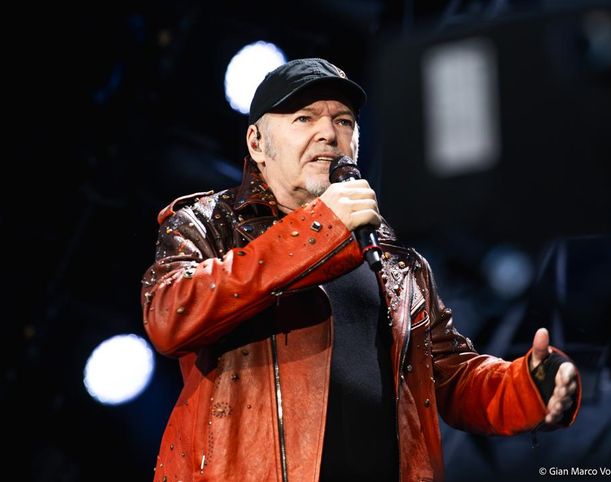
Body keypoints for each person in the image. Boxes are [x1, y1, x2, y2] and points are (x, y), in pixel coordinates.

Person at [141, 57, 581, 482]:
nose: (328, 134)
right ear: (257, 143)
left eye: (344, 121)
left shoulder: (394, 259)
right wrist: (319, 228)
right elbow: (169, 315)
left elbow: (452, 376)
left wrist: (530, 387)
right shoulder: (209, 223)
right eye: (304, 119)